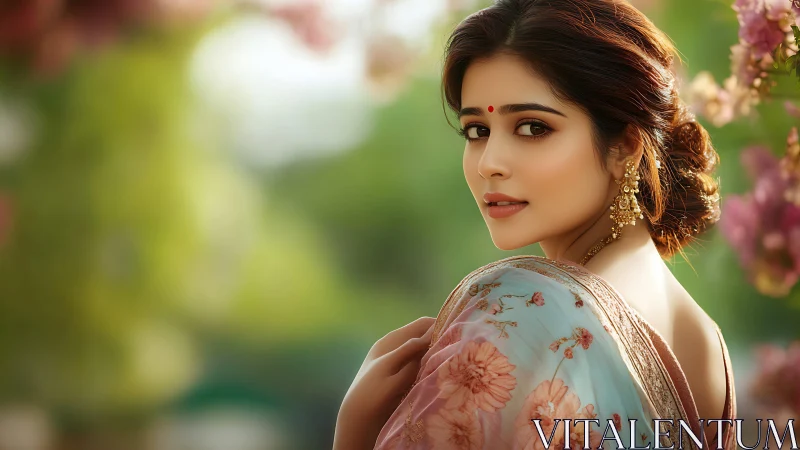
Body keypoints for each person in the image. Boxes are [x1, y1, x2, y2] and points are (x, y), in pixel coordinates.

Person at [333, 0, 737, 448]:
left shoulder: (518, 308)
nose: (489, 164)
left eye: (531, 128)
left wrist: (353, 432)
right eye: (477, 131)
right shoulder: (708, 344)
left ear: (624, 145)